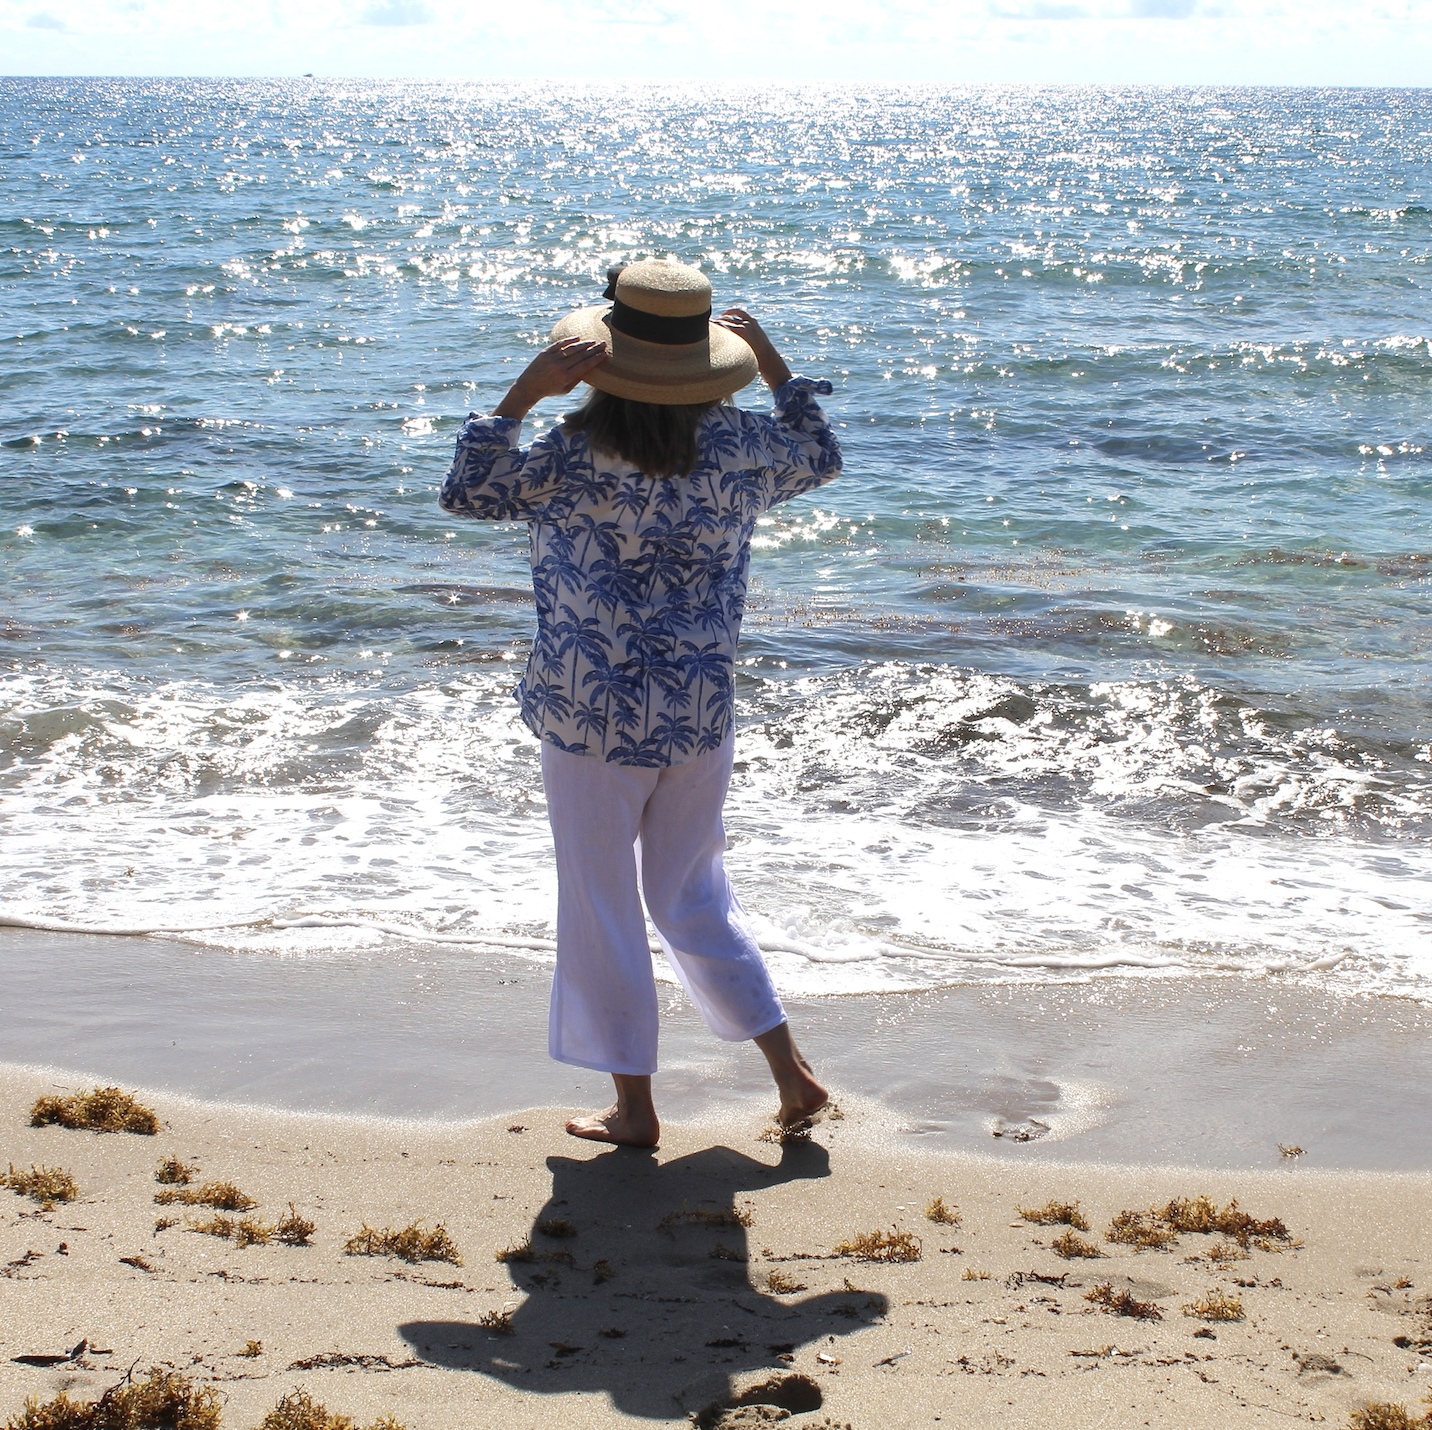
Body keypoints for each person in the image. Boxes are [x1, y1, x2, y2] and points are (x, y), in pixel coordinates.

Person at [439, 259, 841, 1147]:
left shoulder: (572, 455)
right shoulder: (740, 449)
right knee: (693, 895)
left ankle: (635, 1110)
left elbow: (469, 491)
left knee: (602, 906)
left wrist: (524, 394)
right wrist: (775, 366)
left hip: (590, 714)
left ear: (604, 360)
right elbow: (820, 453)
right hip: (698, 709)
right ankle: (792, 1075)